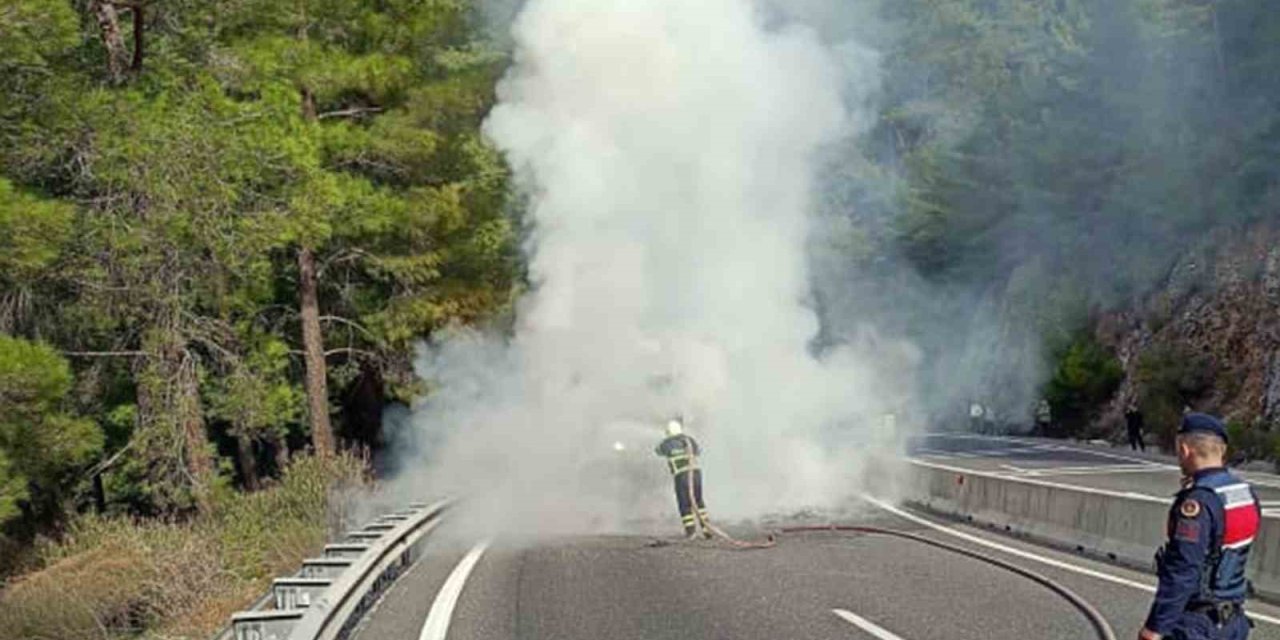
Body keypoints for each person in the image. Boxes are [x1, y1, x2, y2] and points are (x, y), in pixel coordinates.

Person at [1139, 413, 1261, 640]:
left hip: (1198, 625)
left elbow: (1184, 569)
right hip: (1234, 622)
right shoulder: (1245, 493)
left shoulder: (1198, 502)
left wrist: (1155, 627)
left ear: (1185, 449)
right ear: (1222, 451)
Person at [654, 418, 709, 539]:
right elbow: (699, 451)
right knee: (698, 501)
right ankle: (706, 530)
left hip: (681, 475)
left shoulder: (667, 443)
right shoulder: (689, 440)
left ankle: (691, 532)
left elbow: (658, 451)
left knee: (684, 503)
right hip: (696, 474)